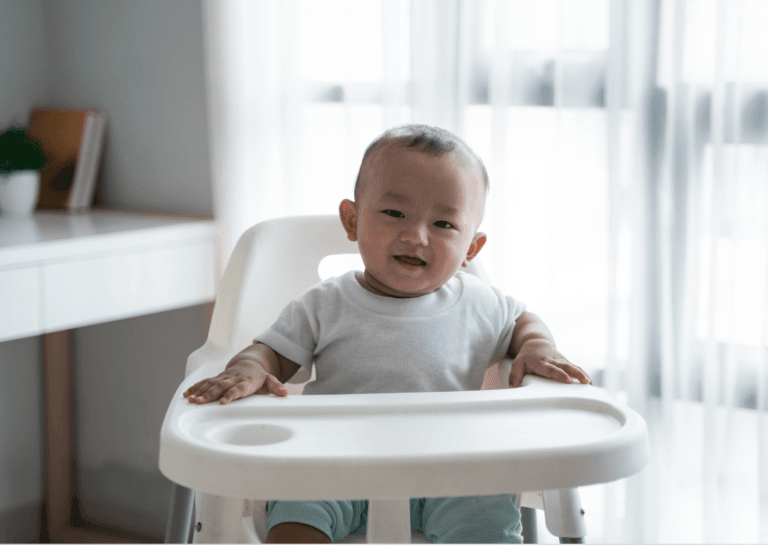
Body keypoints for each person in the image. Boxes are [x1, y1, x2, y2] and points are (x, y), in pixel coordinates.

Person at [183, 124, 592, 543]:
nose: (415, 236)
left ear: (471, 247)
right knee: (295, 515)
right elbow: (272, 353)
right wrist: (249, 367)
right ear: (352, 219)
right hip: (334, 464)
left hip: (452, 472)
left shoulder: (482, 304)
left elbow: (524, 321)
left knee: (486, 511)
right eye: (395, 213)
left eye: (444, 224)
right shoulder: (325, 303)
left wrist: (539, 346)